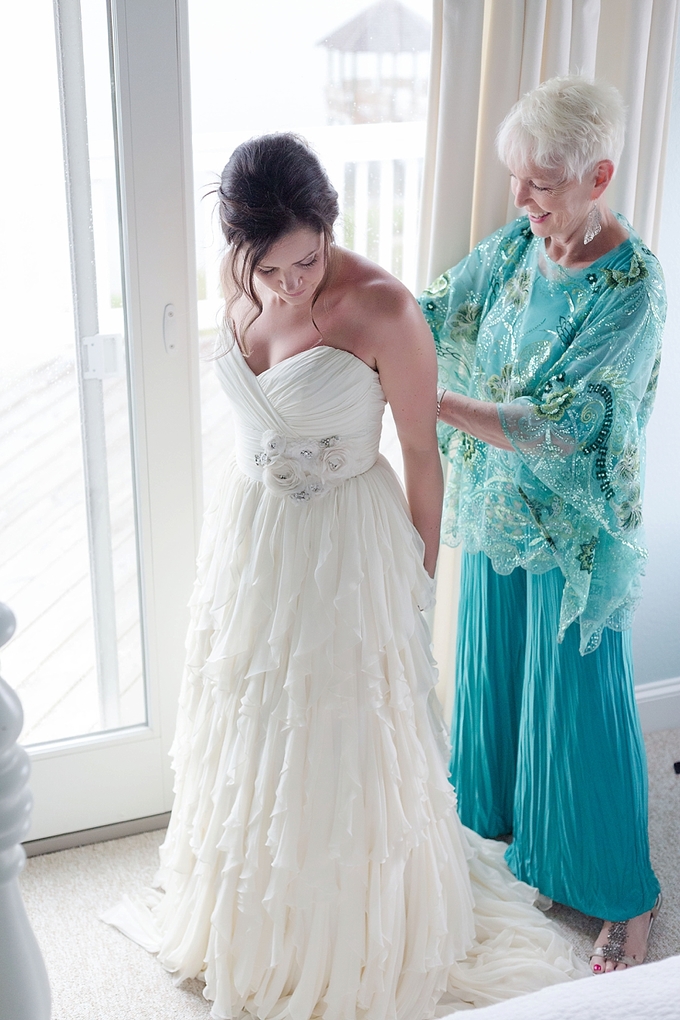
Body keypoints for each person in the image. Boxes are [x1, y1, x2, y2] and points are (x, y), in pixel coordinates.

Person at [103, 133, 586, 1018]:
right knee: (255, 718)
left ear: (331, 228)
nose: (291, 285)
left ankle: (344, 924)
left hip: (347, 548)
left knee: (340, 730)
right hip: (254, 536)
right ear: (240, 247)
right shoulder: (241, 279)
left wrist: (415, 578)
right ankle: (260, 915)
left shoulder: (383, 309)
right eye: (273, 268)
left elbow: (421, 457)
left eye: (308, 260)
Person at [419, 76, 664, 976]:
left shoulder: (633, 289)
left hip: (575, 538)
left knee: (580, 720)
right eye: (514, 179)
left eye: (541, 185)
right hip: (498, 514)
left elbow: (560, 426)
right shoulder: (522, 240)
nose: (518, 201)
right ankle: (511, 842)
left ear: (599, 176)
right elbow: (440, 306)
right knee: (496, 688)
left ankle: (627, 898)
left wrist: (434, 400)